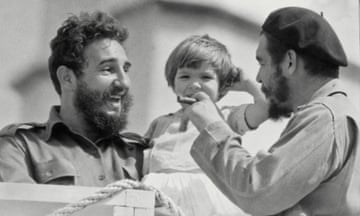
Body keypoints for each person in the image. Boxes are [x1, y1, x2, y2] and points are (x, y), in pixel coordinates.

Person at [184, 7, 360, 216]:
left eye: (262, 62)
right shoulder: (337, 110)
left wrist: (212, 126)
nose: (258, 77)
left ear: (289, 61)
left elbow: (257, 192)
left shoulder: (324, 117)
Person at [0, 11, 174, 215]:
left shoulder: (144, 155)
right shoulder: (18, 148)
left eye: (125, 69)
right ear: (67, 78)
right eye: (108, 69)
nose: (124, 83)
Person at [141, 34, 269, 216]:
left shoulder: (224, 117)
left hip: (207, 199)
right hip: (161, 198)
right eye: (185, 76)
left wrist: (247, 84)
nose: (195, 84)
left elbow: (265, 108)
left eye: (206, 77)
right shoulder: (161, 123)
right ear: (173, 81)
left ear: (222, 85)